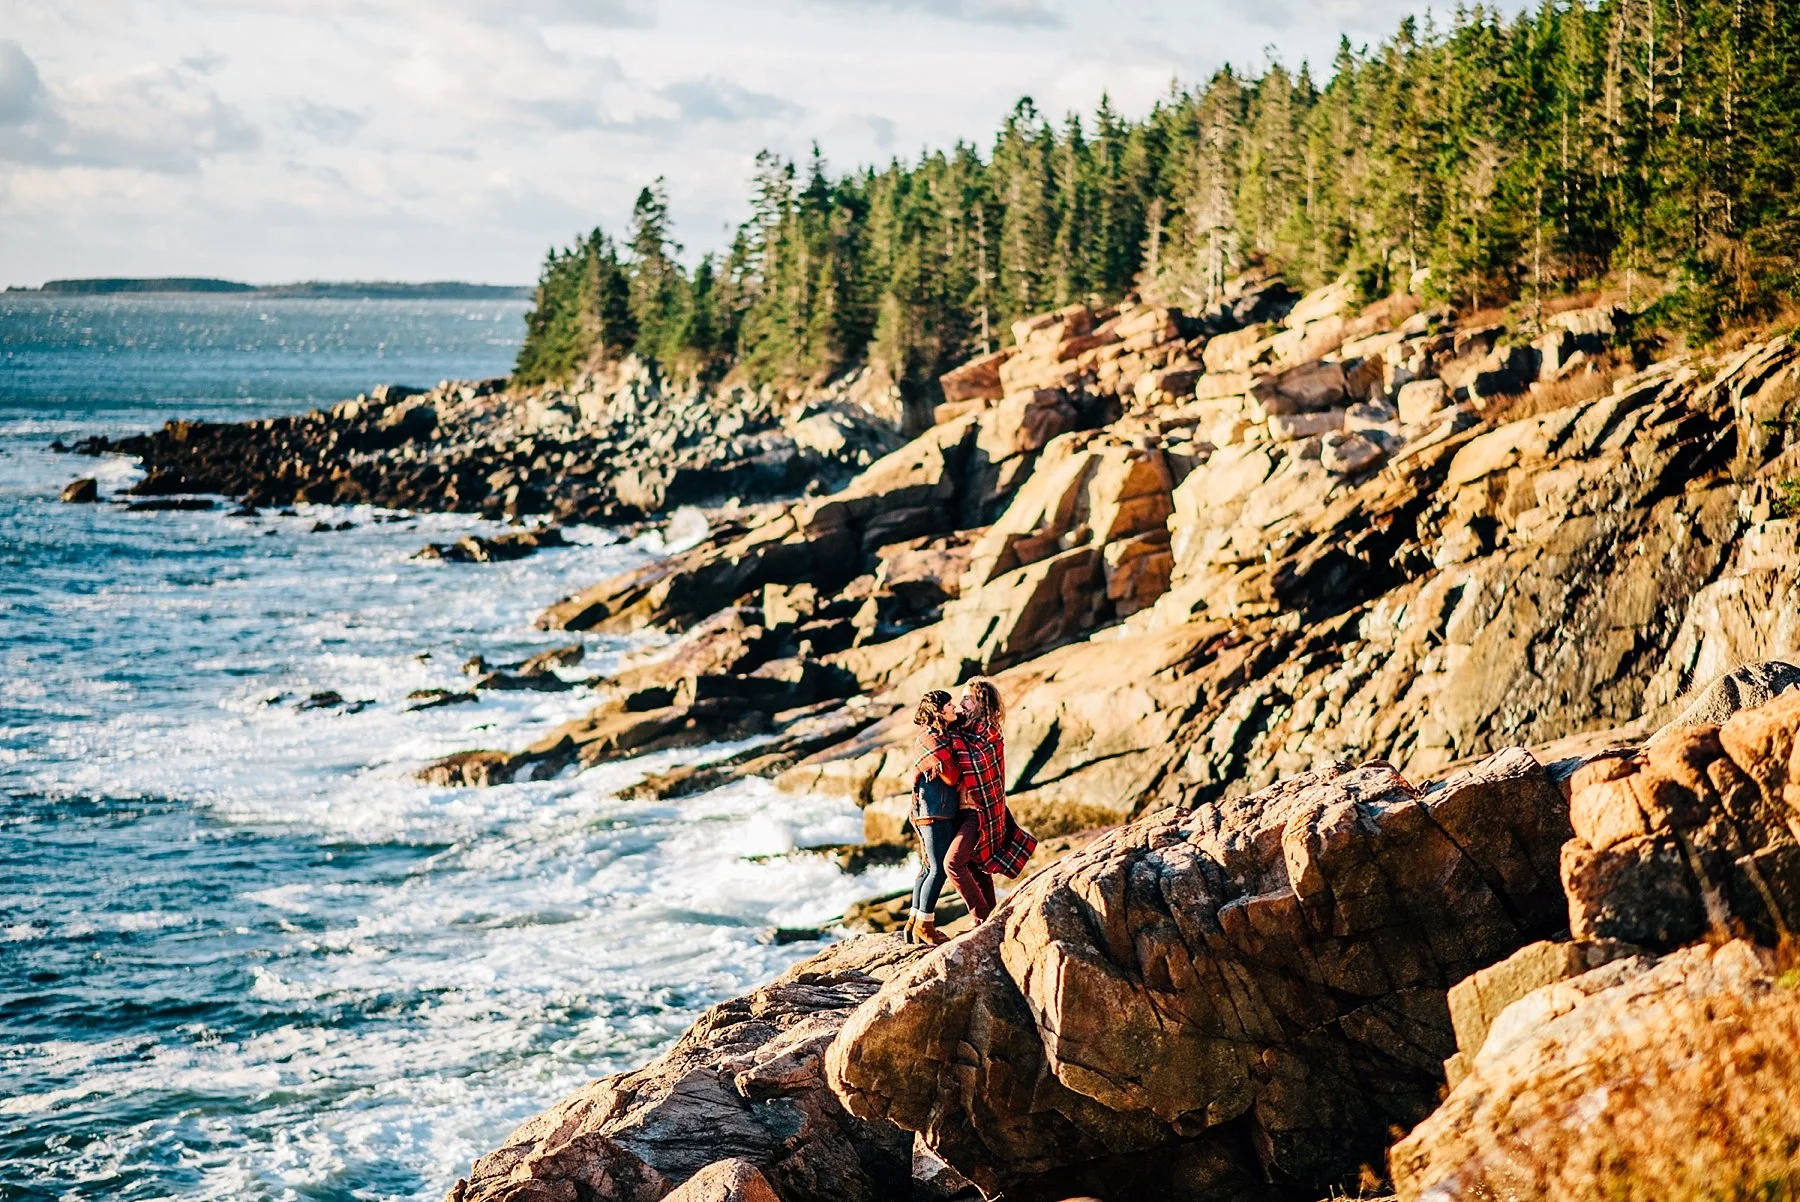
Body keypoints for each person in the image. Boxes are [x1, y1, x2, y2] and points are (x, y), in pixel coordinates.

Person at [943, 677, 1036, 924]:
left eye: (966, 698)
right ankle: (992, 919)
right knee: (973, 864)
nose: (960, 702)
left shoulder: (988, 732)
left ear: (981, 703)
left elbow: (977, 761)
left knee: (953, 863)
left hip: (981, 810)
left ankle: (981, 918)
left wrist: (950, 734)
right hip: (964, 810)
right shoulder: (962, 729)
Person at [903, 689, 963, 945]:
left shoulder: (939, 736)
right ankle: (925, 926)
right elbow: (951, 776)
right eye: (949, 705)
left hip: (934, 810)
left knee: (929, 867)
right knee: (939, 869)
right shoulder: (932, 739)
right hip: (932, 812)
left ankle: (914, 922)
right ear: (938, 711)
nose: (955, 708)